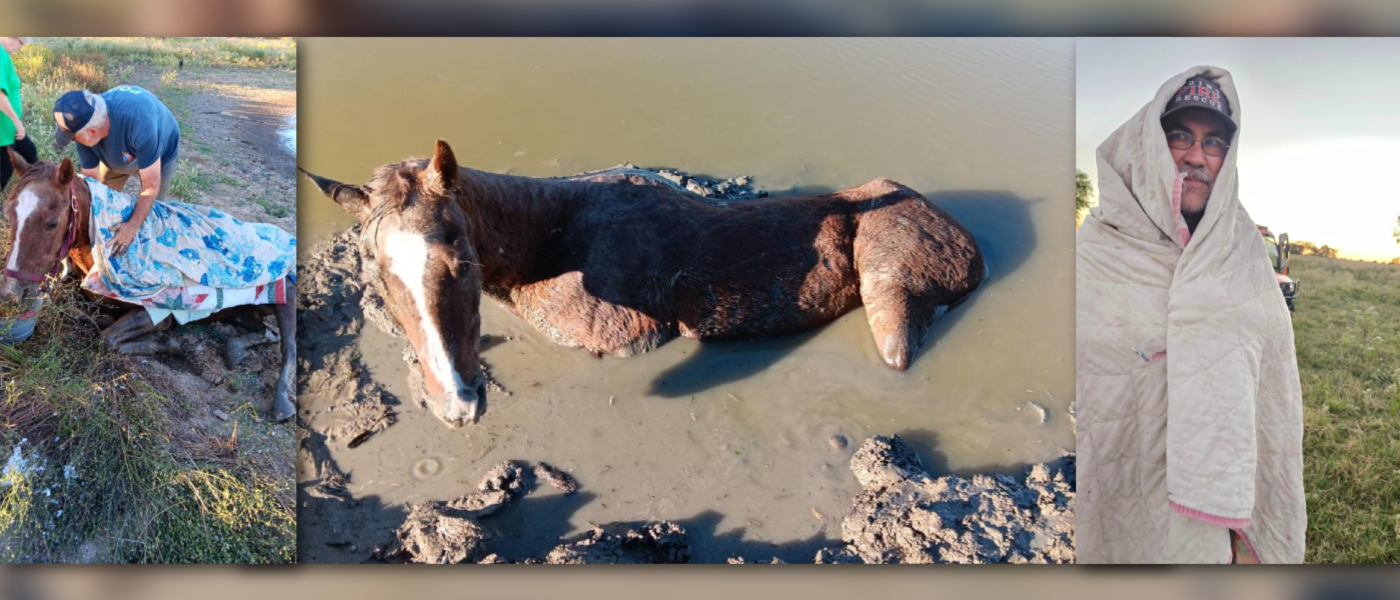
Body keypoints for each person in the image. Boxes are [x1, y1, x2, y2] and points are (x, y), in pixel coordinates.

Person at [1076, 66, 1305, 564]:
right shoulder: (1096, 248)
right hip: (1118, 484)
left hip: (1207, 514)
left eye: (1214, 143)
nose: (1197, 156)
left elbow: (1272, 390)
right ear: (1149, 145)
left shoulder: (1243, 250)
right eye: (1180, 136)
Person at [52, 85, 180, 256]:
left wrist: (132, 226)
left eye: (73, 137)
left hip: (160, 151)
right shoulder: (86, 123)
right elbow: (92, 184)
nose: (74, 141)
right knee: (104, 201)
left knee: (154, 212)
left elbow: (151, 185)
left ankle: (151, 254)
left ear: (92, 131)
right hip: (118, 154)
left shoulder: (139, 124)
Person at [0, 37, 37, 191]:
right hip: (3, 130)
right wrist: (17, 122)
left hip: (10, 128)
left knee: (30, 151)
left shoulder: (4, 54)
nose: (21, 48)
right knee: (5, 170)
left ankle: (38, 185)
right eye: (21, 43)